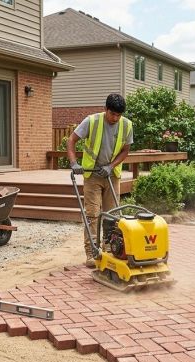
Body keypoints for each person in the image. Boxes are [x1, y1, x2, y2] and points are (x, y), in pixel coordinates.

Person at [66, 93, 133, 268]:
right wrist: (74, 163)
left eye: (119, 115)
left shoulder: (126, 125)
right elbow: (71, 140)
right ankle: (92, 252)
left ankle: (109, 248)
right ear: (105, 109)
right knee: (92, 214)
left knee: (112, 215)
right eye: (112, 114)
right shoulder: (92, 121)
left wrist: (111, 166)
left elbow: (125, 150)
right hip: (92, 174)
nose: (115, 118)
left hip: (112, 175)